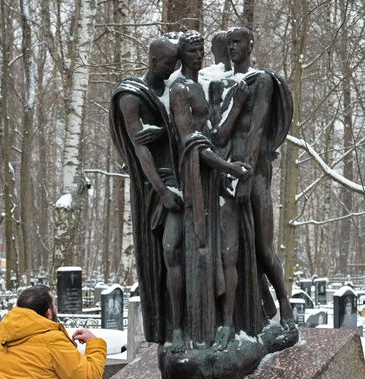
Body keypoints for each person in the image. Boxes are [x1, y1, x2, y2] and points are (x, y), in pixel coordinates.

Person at [213, 27, 295, 346]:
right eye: (229, 43)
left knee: (263, 247)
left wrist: (246, 175)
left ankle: (284, 306)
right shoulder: (222, 84)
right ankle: (237, 319)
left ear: (250, 45)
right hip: (226, 173)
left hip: (254, 173)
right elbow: (217, 133)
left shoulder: (261, 81)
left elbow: (258, 129)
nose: (233, 47)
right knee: (230, 250)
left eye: (238, 42)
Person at [169, 30, 251, 346]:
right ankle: (192, 329)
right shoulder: (179, 90)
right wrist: (228, 166)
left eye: (200, 49)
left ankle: (227, 323)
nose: (198, 55)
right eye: (191, 50)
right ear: (181, 54)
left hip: (216, 180)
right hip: (195, 181)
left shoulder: (205, 86)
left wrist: (235, 104)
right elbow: (190, 141)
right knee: (198, 255)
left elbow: (215, 136)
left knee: (228, 252)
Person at [110, 37, 186, 352]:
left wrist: (166, 131)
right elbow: (141, 152)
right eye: (169, 64)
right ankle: (171, 325)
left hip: (185, 177)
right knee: (166, 252)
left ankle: (186, 321)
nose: (172, 71)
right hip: (155, 186)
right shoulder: (131, 96)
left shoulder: (175, 90)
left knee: (182, 251)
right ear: (153, 60)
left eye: (176, 65)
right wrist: (163, 192)